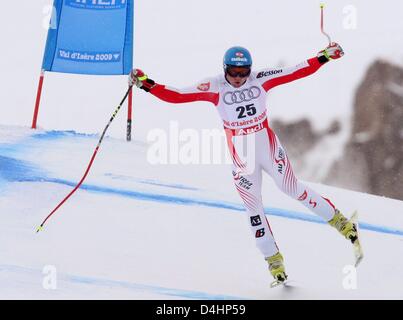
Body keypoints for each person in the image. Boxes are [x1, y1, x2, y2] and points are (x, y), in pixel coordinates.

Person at [128, 43, 359, 285]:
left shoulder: (259, 79)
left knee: (291, 188)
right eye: (233, 73)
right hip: (242, 156)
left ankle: (340, 222)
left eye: (243, 73)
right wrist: (146, 83)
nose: (238, 78)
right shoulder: (215, 86)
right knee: (254, 207)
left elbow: (295, 71)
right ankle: (274, 261)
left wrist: (324, 57)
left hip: (267, 146)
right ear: (225, 69)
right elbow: (176, 95)